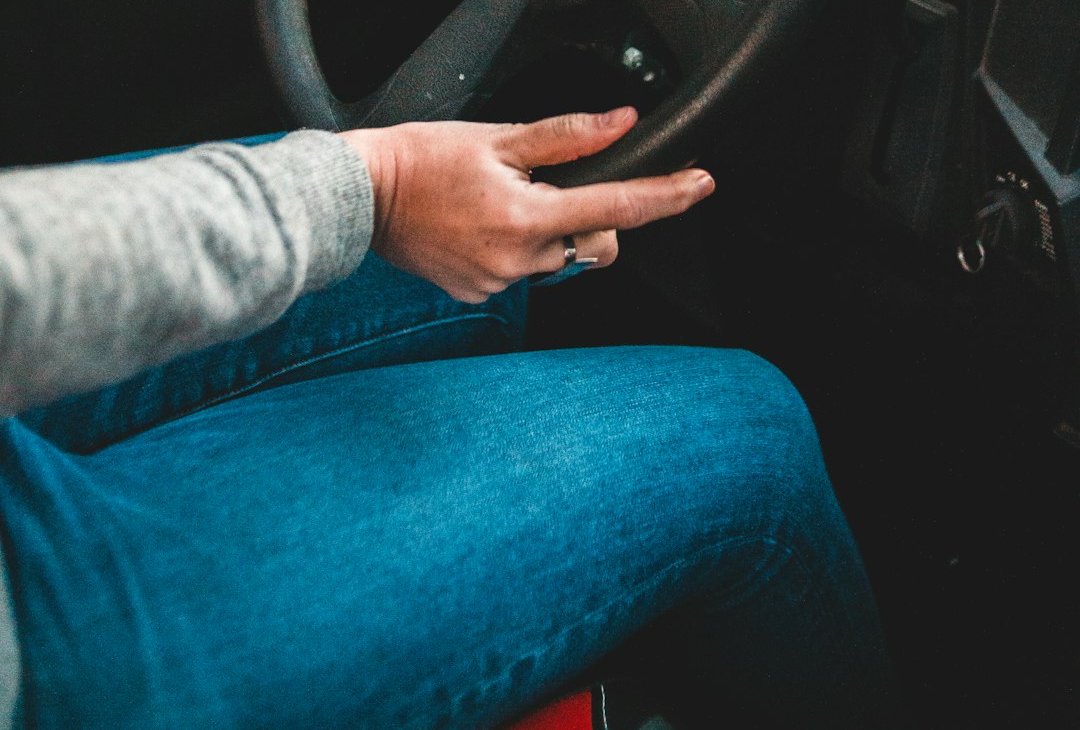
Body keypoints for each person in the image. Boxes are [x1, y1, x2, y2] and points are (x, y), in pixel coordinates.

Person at [0, 106, 899, 728]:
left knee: (469, 264)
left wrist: (377, 193)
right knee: (751, 435)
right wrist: (375, 184)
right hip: (36, 661)